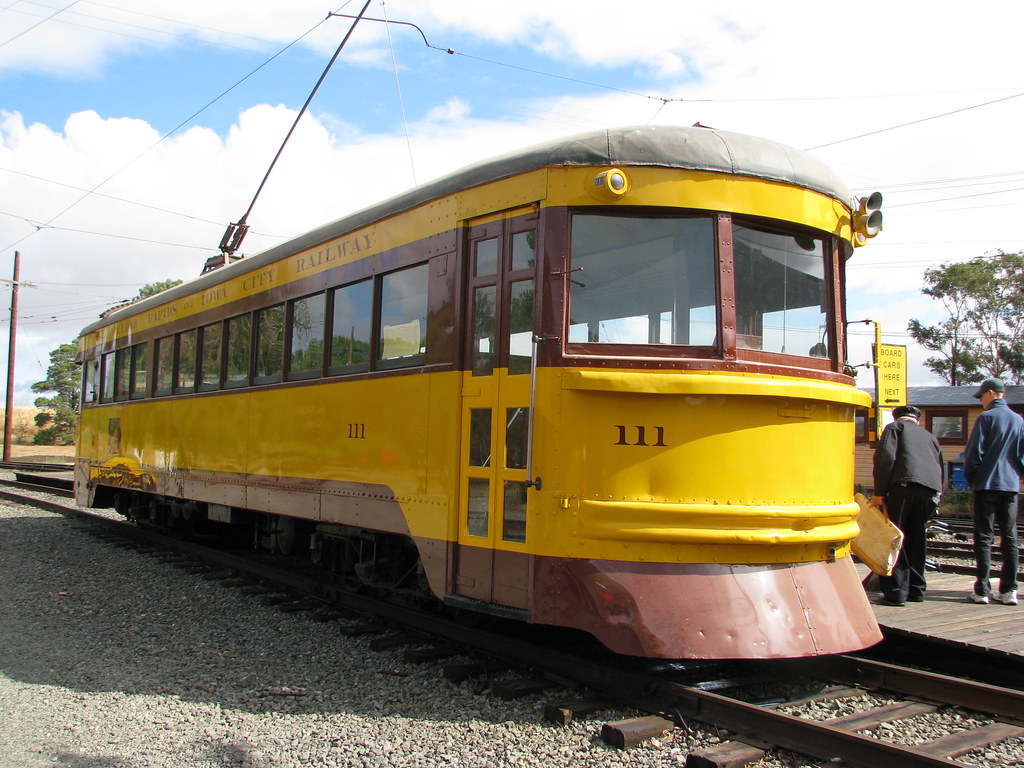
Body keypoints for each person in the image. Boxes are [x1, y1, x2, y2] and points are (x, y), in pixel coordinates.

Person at [872, 405, 943, 606]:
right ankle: (917, 589)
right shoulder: (929, 436)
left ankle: (896, 592)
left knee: (895, 537)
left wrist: (879, 492)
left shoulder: (895, 429)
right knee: (917, 538)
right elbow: (939, 465)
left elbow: (885, 459)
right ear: (916, 420)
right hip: (929, 491)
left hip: (902, 487)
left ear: (898, 418)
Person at [964, 377, 1024, 605]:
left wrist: (973, 478)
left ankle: (982, 590)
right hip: (1010, 486)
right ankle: (1009, 590)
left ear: (991, 393)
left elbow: (973, 454)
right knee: (1009, 537)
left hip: (987, 484)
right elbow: (1021, 455)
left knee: (983, 537)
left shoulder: (985, 418)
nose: (981, 401)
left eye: (981, 396)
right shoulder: (1018, 420)